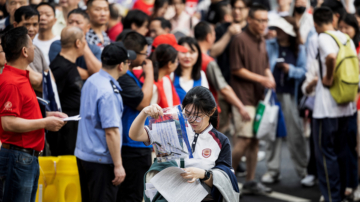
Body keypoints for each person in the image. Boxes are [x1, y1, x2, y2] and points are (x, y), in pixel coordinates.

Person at [129, 86, 239, 202]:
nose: (191, 120)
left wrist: (204, 174)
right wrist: (144, 113)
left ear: (211, 111)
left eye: (197, 116)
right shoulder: (173, 127)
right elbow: (135, 135)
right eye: (187, 114)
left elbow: (226, 179)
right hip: (167, 195)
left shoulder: (221, 141)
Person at [0, 26, 66, 202]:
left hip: (26, 157)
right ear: (24, 51)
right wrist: (45, 123)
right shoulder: (12, 82)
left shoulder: (21, 76)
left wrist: (49, 115)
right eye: (31, 45)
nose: (34, 48)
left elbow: (24, 113)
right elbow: (8, 123)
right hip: (18, 157)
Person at [75, 42, 136, 202]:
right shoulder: (108, 92)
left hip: (84, 156)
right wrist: (118, 165)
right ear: (121, 66)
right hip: (100, 161)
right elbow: (111, 131)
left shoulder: (92, 80)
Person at [312, 7, 358, 202]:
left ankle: (332, 197)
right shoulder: (345, 37)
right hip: (346, 105)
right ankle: (340, 194)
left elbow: (331, 57)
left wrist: (328, 77)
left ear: (315, 24)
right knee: (340, 153)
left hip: (327, 108)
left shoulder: (323, 37)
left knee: (325, 155)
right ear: (333, 19)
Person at [229, 4, 275, 194]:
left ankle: (250, 181)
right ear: (250, 20)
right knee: (245, 139)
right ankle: (224, 177)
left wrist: (269, 76)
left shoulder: (261, 40)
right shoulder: (239, 39)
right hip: (243, 97)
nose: (264, 24)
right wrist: (262, 79)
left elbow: (264, 65)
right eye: (260, 20)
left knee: (255, 140)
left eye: (266, 20)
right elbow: (236, 69)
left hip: (258, 98)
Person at [261, 16, 308, 184]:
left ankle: (304, 170)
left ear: (289, 31)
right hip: (272, 94)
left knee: (295, 133)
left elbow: (304, 71)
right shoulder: (269, 44)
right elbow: (263, 64)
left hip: (290, 95)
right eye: (276, 29)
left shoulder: (299, 49)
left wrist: (290, 70)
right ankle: (272, 170)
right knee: (270, 132)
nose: (277, 32)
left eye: (281, 29)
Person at [116, 31, 154, 202]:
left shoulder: (130, 76)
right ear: (131, 55)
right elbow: (144, 103)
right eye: (144, 53)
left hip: (138, 145)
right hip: (132, 146)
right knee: (132, 195)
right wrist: (150, 72)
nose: (146, 58)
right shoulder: (124, 77)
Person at [195, 21, 251, 127]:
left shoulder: (188, 59)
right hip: (207, 112)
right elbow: (224, 89)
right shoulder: (208, 62)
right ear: (209, 37)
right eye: (214, 35)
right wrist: (241, 107)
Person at [48, 26, 86, 156]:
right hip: (64, 134)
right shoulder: (60, 67)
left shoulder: (70, 64)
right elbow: (50, 100)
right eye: (84, 39)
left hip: (73, 130)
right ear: (78, 43)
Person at [49, 8, 102, 80]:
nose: (74, 25)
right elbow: (62, 69)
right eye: (70, 22)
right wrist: (91, 74)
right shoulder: (57, 45)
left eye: (78, 22)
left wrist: (83, 43)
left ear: (88, 27)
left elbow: (98, 72)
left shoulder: (95, 49)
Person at [13, 6, 48, 97]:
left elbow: (51, 81)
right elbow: (35, 81)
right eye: (26, 24)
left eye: (35, 25)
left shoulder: (38, 50)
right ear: (16, 25)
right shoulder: (11, 50)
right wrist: (45, 83)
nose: (31, 29)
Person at [173, 37, 209, 102]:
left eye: (191, 52)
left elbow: (206, 102)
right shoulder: (171, 75)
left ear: (198, 54)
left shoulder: (202, 75)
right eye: (183, 52)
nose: (187, 56)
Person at [150, 44, 181, 108]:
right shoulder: (153, 85)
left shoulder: (165, 79)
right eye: (176, 62)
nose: (177, 65)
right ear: (169, 64)